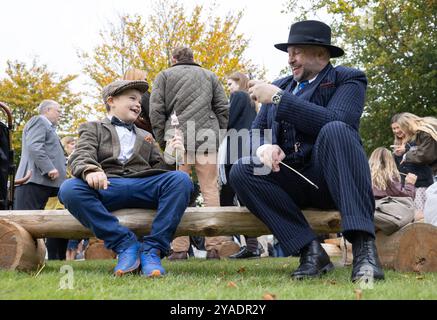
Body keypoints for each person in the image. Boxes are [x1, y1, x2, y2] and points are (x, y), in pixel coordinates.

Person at [229, 20, 385, 282]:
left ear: (321, 54)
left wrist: (279, 98)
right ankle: (311, 251)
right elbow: (255, 133)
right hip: (291, 181)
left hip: (333, 181)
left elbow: (340, 120)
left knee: (336, 129)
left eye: (296, 52)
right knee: (242, 170)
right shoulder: (281, 84)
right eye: (289, 53)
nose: (290, 59)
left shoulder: (348, 78)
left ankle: (364, 250)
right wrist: (264, 147)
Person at [58, 80, 192, 277]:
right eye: (132, 98)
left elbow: (160, 170)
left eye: (139, 100)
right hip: (107, 185)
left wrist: (172, 155)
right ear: (111, 101)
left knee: (181, 180)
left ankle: (152, 249)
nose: (138, 104)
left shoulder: (147, 136)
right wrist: (90, 170)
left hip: (143, 186)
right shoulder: (92, 127)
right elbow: (80, 155)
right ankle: (125, 243)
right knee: (69, 189)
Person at [150, 46, 237, 260]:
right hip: (207, 138)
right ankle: (214, 246)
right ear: (193, 59)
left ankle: (179, 248)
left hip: (177, 136)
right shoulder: (210, 76)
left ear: (174, 59)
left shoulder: (164, 75)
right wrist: (218, 133)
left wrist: (163, 138)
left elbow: (156, 109)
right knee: (211, 191)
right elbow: (222, 108)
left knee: (177, 191)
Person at [14, 100, 67, 260]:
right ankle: (18, 260)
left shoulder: (48, 127)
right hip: (33, 180)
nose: (60, 114)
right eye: (58, 111)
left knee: (34, 224)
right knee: (24, 223)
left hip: (42, 181)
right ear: (48, 110)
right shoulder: (39, 121)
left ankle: (31, 259)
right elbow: (34, 146)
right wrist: (49, 167)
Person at [219, 72, 261, 259]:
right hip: (249, 148)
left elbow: (228, 121)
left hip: (236, 148)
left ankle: (234, 242)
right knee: (243, 195)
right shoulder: (253, 101)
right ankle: (252, 244)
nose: (229, 88)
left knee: (227, 195)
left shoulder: (238, 96)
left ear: (239, 82)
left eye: (230, 84)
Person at [390, 114, 434, 220]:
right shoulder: (397, 144)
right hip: (407, 186)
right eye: (393, 128)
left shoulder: (416, 139)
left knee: (422, 214)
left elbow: (423, 156)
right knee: (413, 214)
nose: (396, 131)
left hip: (421, 183)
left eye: (398, 127)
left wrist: (406, 152)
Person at [123, 68, 154, 135]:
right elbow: (153, 115)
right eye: (144, 79)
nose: (146, 82)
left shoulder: (122, 97)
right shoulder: (143, 94)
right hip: (146, 134)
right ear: (138, 79)